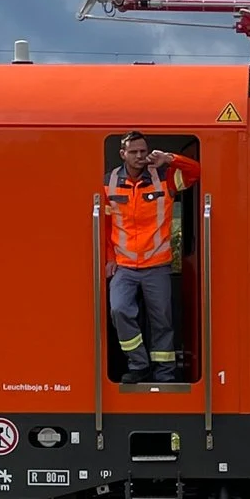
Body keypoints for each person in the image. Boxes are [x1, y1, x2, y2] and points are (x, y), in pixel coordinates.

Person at [104, 131, 201, 384]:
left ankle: (165, 375)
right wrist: (108, 257)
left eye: (143, 151)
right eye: (134, 151)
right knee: (120, 310)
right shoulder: (108, 182)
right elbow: (104, 225)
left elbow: (195, 172)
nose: (139, 156)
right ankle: (139, 364)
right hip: (124, 267)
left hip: (157, 266)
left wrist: (169, 158)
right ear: (122, 154)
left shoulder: (165, 179)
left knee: (162, 321)